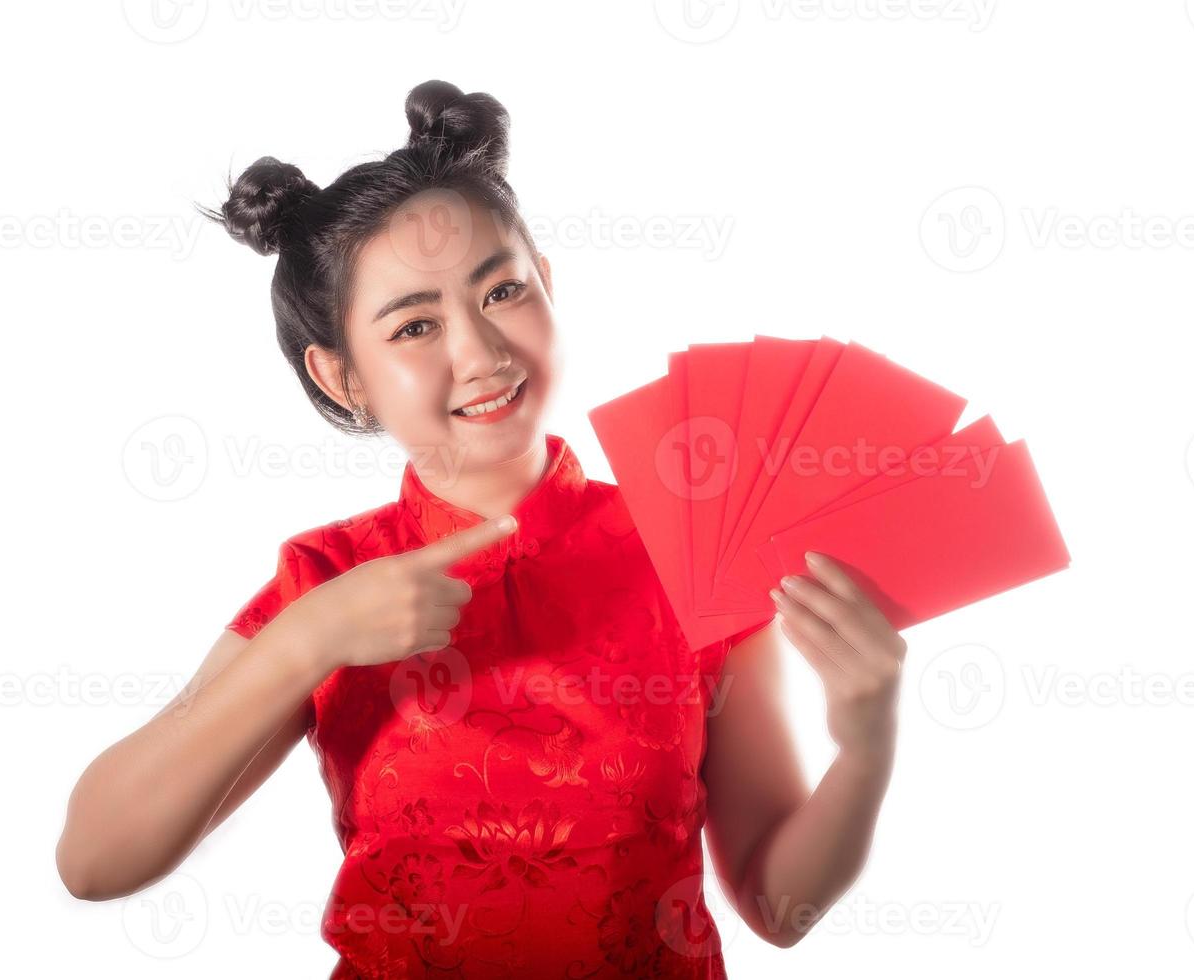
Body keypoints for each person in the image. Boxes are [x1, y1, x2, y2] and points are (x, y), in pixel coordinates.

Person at [55, 79, 909, 978]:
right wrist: (309, 639)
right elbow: (93, 861)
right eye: (415, 324)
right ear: (342, 376)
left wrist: (865, 742)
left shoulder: (690, 550)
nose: (480, 351)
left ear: (548, 281)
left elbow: (779, 910)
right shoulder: (329, 579)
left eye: (500, 291)